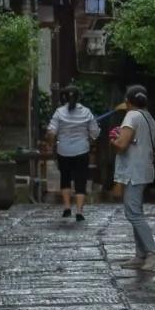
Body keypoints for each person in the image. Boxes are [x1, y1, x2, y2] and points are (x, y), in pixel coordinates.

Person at [110, 84, 155, 271]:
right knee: (136, 211)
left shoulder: (131, 116)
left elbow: (122, 143)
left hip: (134, 170)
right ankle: (141, 254)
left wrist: (113, 140)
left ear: (128, 101)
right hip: (144, 169)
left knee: (133, 213)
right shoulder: (149, 118)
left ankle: (153, 252)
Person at [45, 85, 99, 222]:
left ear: (64, 97)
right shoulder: (86, 112)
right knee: (81, 179)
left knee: (65, 177)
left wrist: (50, 142)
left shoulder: (59, 112)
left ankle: (67, 208)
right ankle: (79, 210)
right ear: (79, 97)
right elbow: (94, 133)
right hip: (82, 150)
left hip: (63, 150)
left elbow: (51, 131)